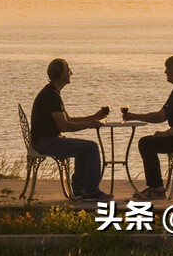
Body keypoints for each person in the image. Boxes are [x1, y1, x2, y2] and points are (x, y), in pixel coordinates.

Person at [122, 54, 173, 201]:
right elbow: (160, 116)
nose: (165, 72)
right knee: (146, 142)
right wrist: (135, 116)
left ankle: (157, 189)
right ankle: (156, 187)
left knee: (147, 144)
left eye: (168, 68)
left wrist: (166, 134)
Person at [30, 58, 113, 201]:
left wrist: (93, 117)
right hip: (45, 142)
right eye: (68, 70)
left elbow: (68, 120)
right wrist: (89, 124)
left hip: (45, 139)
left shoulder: (52, 93)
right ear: (61, 74)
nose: (71, 73)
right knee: (91, 148)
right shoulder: (51, 96)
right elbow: (65, 126)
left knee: (84, 149)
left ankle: (80, 189)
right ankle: (90, 191)